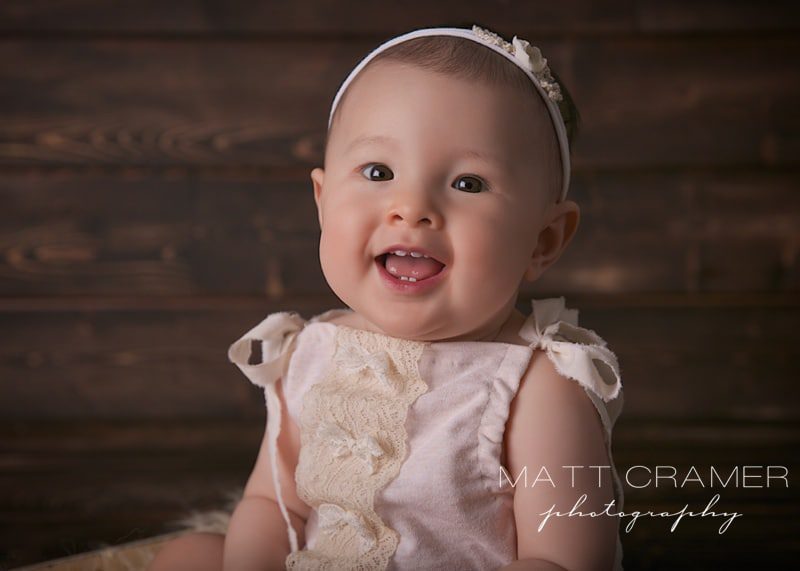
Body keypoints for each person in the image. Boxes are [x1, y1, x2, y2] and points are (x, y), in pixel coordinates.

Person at [148, 22, 625, 571]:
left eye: (468, 183)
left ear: (542, 241)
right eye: (378, 172)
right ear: (323, 202)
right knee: (190, 556)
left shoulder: (540, 385)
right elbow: (272, 501)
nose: (411, 206)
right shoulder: (309, 351)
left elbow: (563, 560)